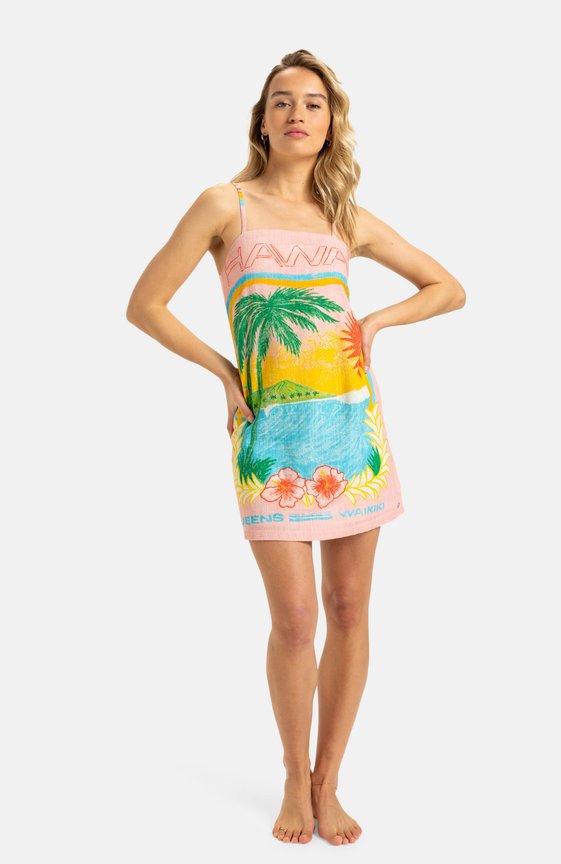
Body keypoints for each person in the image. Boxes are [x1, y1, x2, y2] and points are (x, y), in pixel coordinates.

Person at [126, 49, 466, 845]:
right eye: (282, 101)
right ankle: (291, 776)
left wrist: (376, 322)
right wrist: (223, 373)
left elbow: (448, 287)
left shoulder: (346, 218)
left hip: (352, 432)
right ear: (262, 119)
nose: (297, 114)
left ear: (331, 123)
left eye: (313, 103)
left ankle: (328, 780)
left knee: (349, 609)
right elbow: (145, 304)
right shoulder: (226, 204)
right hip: (270, 437)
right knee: (295, 618)